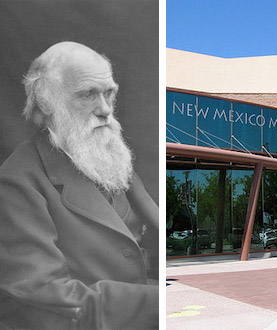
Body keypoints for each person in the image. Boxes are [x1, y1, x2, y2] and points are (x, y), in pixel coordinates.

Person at [0, 41, 158, 329]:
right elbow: (46, 298)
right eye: (87, 95)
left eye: (108, 93)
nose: (105, 109)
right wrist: (158, 304)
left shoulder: (111, 160)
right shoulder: (17, 181)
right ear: (47, 102)